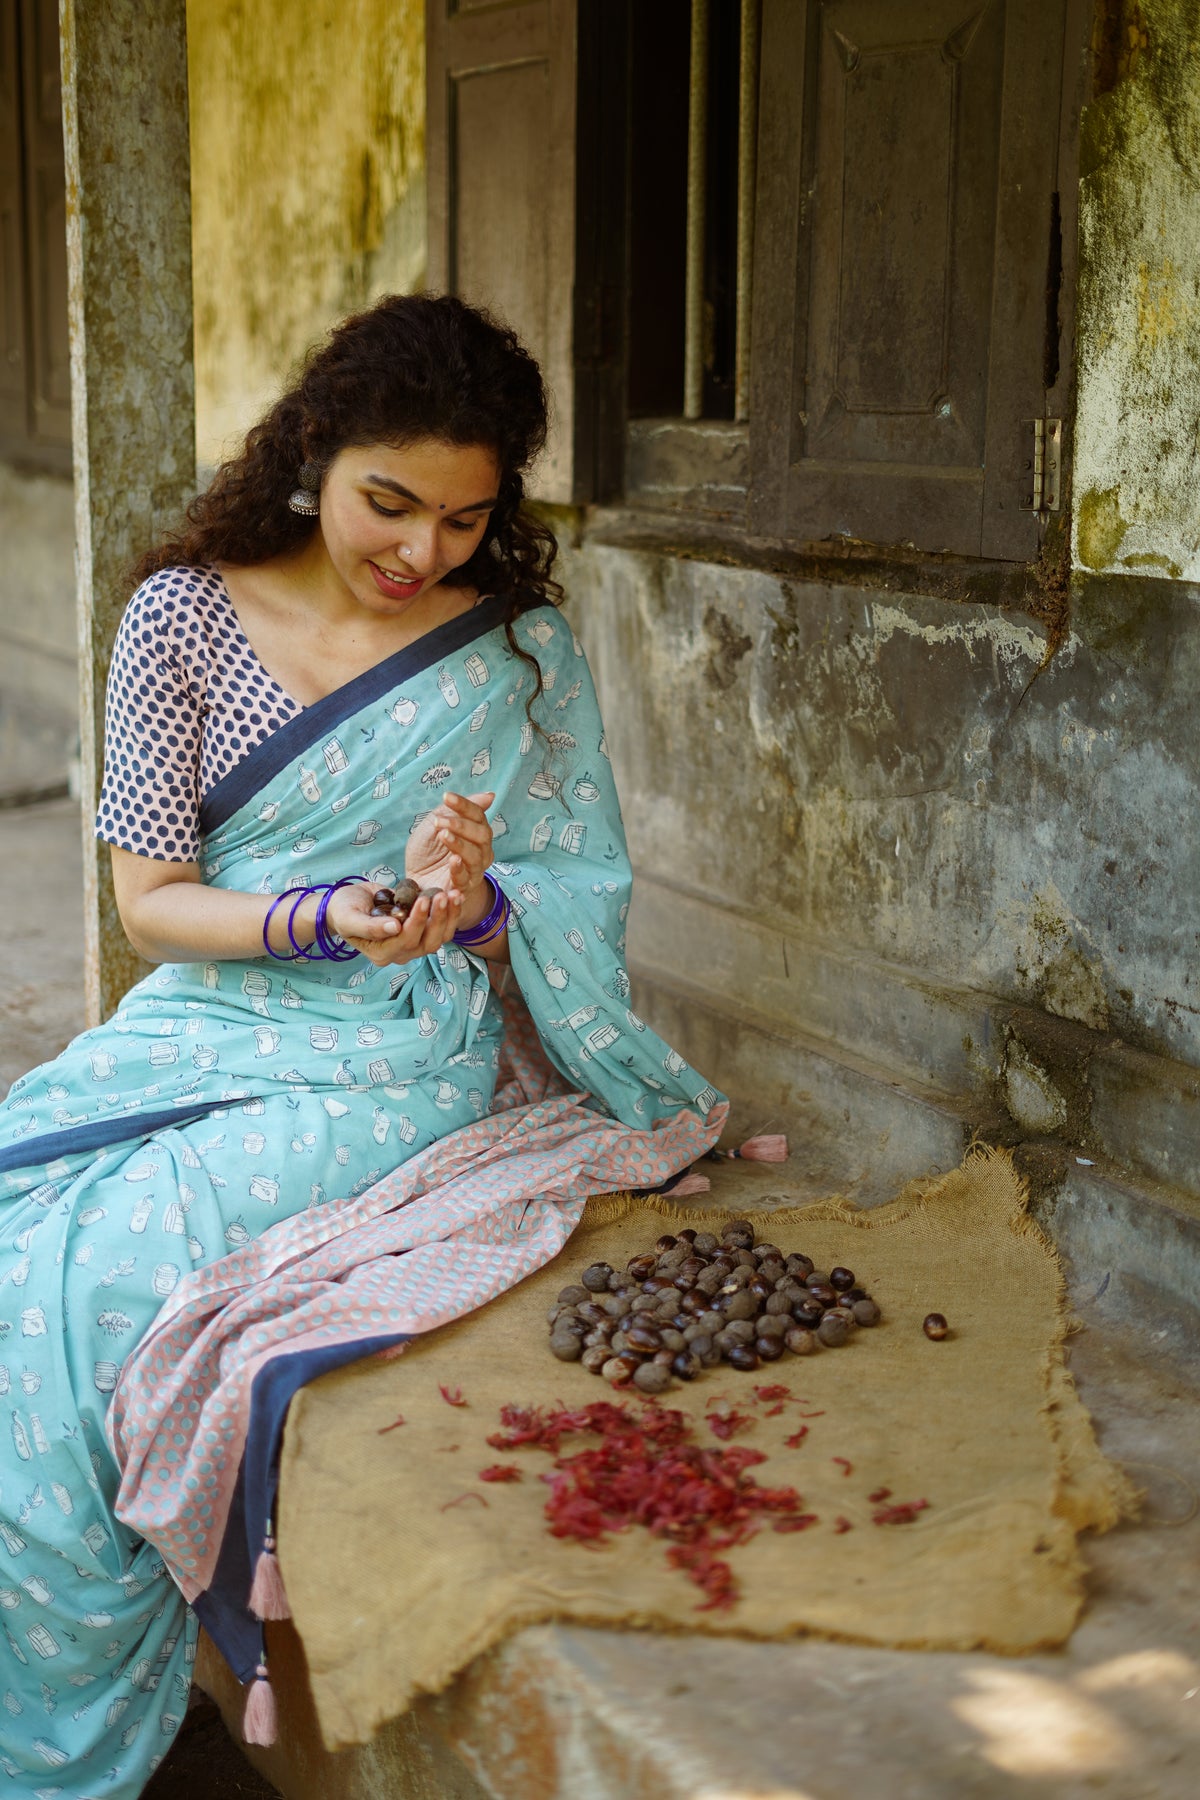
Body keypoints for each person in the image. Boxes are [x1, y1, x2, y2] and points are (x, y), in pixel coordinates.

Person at [0, 294, 724, 1797]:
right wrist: (322, 914)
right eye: (389, 504)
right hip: (214, 1014)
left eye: (464, 520)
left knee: (85, 1293)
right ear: (313, 447)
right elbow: (151, 907)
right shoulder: (182, 619)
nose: (420, 554)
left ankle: (88, 1749)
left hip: (397, 1048)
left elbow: (572, 884)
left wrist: (468, 907)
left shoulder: (511, 649)